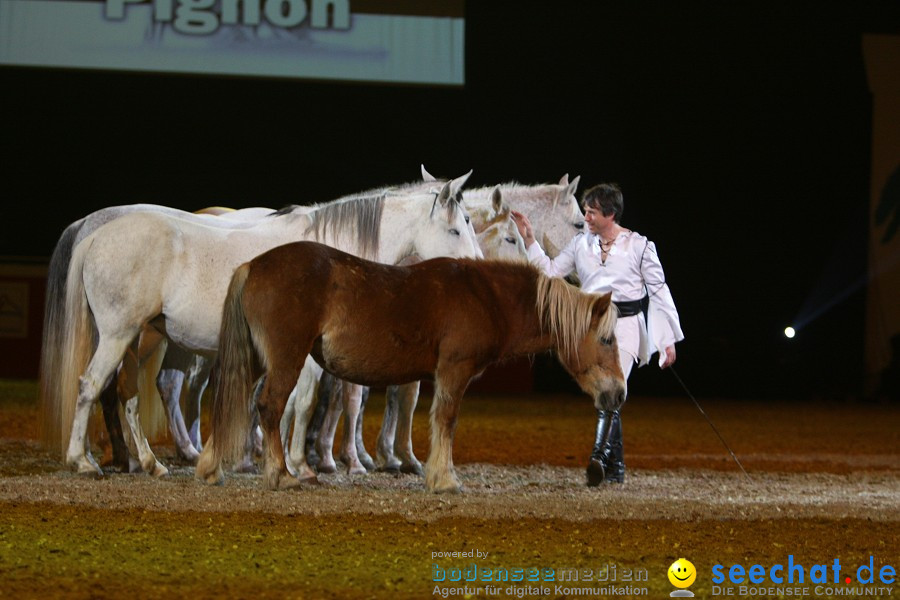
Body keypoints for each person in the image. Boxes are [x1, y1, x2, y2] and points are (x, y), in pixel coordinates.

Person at [511, 182, 683, 485]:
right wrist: (530, 241)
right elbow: (551, 272)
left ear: (610, 214)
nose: (586, 217)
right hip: (591, 329)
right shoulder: (580, 243)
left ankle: (598, 458)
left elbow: (659, 292)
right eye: (586, 212)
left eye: (591, 212)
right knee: (610, 393)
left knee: (611, 392)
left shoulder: (640, 246)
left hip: (626, 326)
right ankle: (615, 469)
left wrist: (666, 340)